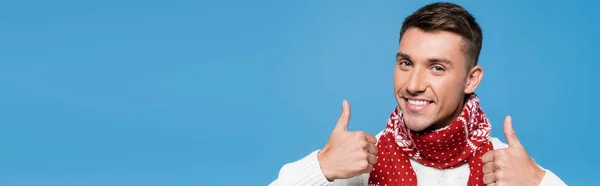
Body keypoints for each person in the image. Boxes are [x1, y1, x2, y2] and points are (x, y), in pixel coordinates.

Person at [269, 2, 566, 186]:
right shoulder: (363, 161)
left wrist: (540, 182)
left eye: (437, 68)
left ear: (471, 80)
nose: (413, 84)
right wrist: (322, 166)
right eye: (406, 63)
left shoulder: (504, 167)